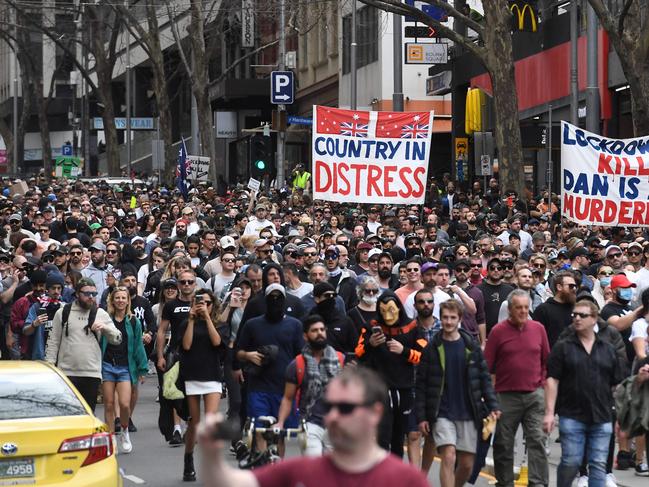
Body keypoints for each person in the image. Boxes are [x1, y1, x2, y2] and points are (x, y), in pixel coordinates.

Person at [198, 366, 429, 487]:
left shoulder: (406, 480)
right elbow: (229, 482)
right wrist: (210, 451)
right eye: (329, 407)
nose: (334, 416)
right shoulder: (300, 472)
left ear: (375, 412)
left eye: (346, 408)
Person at [417, 299, 500, 487]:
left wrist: (493, 405)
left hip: (468, 412)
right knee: (448, 455)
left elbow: (484, 378)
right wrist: (422, 417)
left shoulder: (471, 346)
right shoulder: (432, 348)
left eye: (452, 318)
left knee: (467, 464)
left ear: (459, 319)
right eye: (445, 317)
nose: (448, 322)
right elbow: (421, 384)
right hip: (442, 412)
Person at [543, 300, 625, 487]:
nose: (577, 318)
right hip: (572, 414)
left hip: (602, 416)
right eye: (574, 315)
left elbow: (617, 385)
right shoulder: (563, 346)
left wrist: (620, 417)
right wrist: (549, 413)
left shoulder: (607, 349)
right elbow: (552, 380)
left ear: (594, 319)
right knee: (571, 462)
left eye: (582, 315)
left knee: (597, 464)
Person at [484, 289, 550, 487]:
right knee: (503, 443)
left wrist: (544, 386)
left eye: (526, 308)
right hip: (506, 396)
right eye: (518, 308)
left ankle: (538, 483)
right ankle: (504, 483)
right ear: (510, 309)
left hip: (534, 394)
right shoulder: (498, 331)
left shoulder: (538, 328)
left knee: (537, 440)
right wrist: (489, 397)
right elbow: (487, 365)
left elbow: (547, 360)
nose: (523, 311)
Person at [45, 277, 122, 412]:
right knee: (68, 414)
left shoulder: (100, 313)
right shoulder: (63, 312)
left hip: (91, 373)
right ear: (77, 294)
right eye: (86, 294)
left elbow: (117, 339)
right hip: (66, 372)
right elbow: (53, 341)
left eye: (93, 294)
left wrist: (105, 328)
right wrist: (50, 366)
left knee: (87, 414)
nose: (90, 297)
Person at [275, 314, 344, 456]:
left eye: (322, 329)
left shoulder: (340, 359)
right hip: (310, 423)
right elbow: (288, 398)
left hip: (337, 423)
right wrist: (280, 422)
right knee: (315, 469)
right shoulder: (297, 365)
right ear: (305, 336)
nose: (319, 333)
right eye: (314, 330)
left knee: (337, 472)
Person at [178, 289, 224, 481]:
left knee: (211, 421)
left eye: (207, 302)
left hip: (212, 375)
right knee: (195, 423)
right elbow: (186, 345)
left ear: (212, 304)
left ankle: (210, 465)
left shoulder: (219, 323)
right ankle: (188, 459)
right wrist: (191, 319)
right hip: (192, 375)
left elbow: (217, 342)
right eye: (199, 301)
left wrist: (207, 318)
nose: (203, 305)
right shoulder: (185, 322)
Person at [101, 286, 148, 454]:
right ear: (112, 300)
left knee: (125, 404)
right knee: (108, 404)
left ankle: (125, 430)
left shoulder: (133, 321)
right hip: (107, 365)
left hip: (125, 367)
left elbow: (138, 346)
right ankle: (111, 437)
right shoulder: (106, 319)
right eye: (117, 298)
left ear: (128, 301)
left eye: (123, 298)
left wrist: (142, 369)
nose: (120, 300)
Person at [532, 270, 577, 348]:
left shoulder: (577, 309)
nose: (574, 289)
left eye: (575, 286)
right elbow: (536, 339)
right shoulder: (543, 310)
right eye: (571, 286)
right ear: (559, 287)